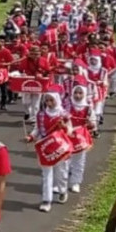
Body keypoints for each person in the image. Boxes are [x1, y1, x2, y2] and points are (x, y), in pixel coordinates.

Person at [27, 85, 72, 213]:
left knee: (61, 173)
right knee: (46, 174)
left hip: (60, 148)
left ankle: (63, 190)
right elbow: (37, 129)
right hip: (45, 147)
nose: (49, 103)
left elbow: (70, 131)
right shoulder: (41, 114)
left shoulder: (64, 115)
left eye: (51, 100)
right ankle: (46, 200)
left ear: (57, 100)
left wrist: (64, 126)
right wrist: (31, 136)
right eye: (47, 100)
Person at [64, 84, 96, 193]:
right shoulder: (67, 106)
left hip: (81, 137)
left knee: (79, 160)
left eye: (80, 93)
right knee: (65, 160)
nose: (78, 95)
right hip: (68, 135)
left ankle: (75, 182)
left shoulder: (88, 108)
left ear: (84, 94)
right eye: (76, 93)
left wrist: (89, 123)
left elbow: (93, 125)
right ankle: (61, 182)